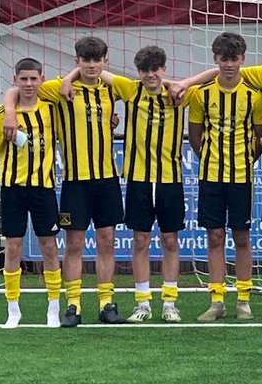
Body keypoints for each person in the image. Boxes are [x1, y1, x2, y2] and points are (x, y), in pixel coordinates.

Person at [62, 46, 188, 323]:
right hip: (137, 180)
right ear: (138, 72)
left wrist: (184, 82)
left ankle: (169, 302)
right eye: (145, 70)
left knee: (170, 240)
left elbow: (216, 76)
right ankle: (142, 303)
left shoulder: (180, 94)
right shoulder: (130, 89)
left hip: (170, 180)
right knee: (140, 240)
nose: (150, 75)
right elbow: (94, 71)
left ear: (164, 69)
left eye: (156, 70)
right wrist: (68, 79)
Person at [4, 36, 124, 326]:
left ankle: (106, 303)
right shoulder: (59, 89)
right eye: (86, 60)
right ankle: (73, 304)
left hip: (107, 178)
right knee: (75, 242)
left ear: (105, 61)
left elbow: (139, 85)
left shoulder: (112, 88)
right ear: (77, 61)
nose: (92, 65)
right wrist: (9, 111)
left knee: (107, 241)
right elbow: (16, 89)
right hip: (75, 181)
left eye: (97, 60)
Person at [186, 33, 262, 323]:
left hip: (242, 177)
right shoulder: (201, 94)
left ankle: (243, 300)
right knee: (215, 237)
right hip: (211, 177)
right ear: (215, 59)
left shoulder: (254, 96)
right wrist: (210, 159)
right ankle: (217, 300)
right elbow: (194, 136)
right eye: (224, 58)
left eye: (234, 58)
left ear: (242, 59)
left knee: (242, 237)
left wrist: (245, 160)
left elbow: (259, 138)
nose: (229, 64)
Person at [0, 58, 63, 328]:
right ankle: (13, 309)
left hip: (44, 188)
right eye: (23, 79)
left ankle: (53, 308)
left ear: (42, 79)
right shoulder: (2, 113)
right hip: (13, 189)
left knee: (49, 246)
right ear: (15, 80)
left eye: (33, 78)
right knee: (13, 247)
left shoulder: (52, 110)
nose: (29, 84)